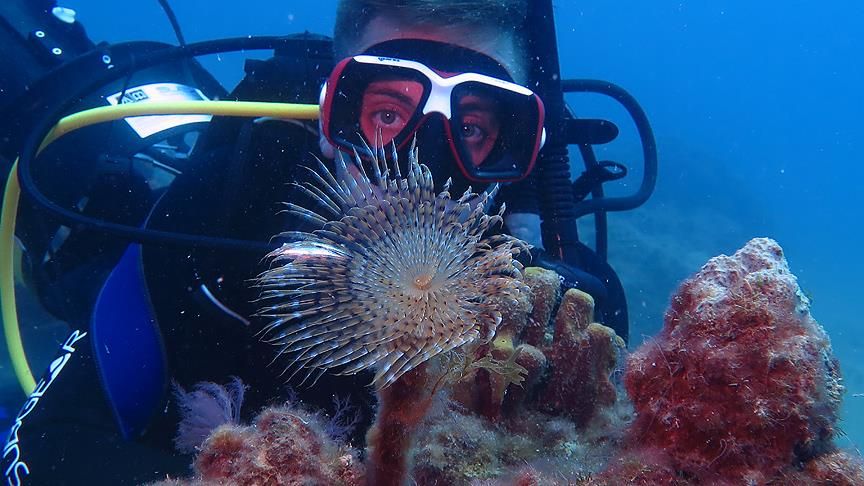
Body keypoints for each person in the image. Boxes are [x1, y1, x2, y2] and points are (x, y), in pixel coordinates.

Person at [2, 1, 629, 484]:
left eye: (470, 127)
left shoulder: (562, 319)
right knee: (80, 252)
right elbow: (41, 442)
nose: (423, 165)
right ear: (331, 115)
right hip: (133, 216)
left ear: (518, 143)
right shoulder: (217, 222)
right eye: (387, 115)